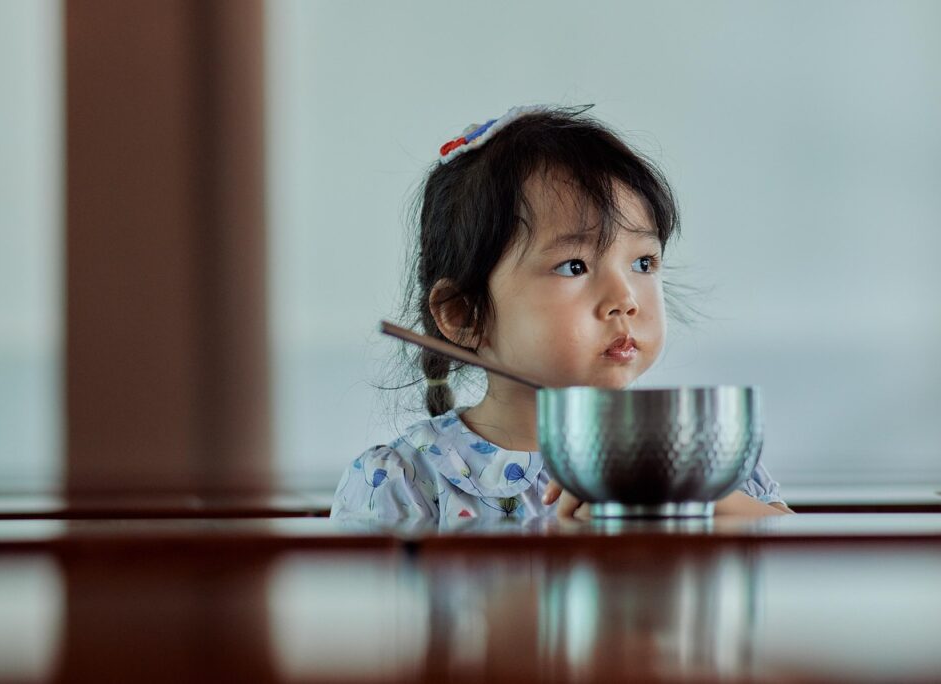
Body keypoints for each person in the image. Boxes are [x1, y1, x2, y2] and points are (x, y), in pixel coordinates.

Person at [331, 105, 792, 521]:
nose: (625, 298)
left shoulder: (704, 463)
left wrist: (702, 502)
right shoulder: (407, 484)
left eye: (643, 263)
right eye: (575, 266)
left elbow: (807, 586)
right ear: (464, 314)